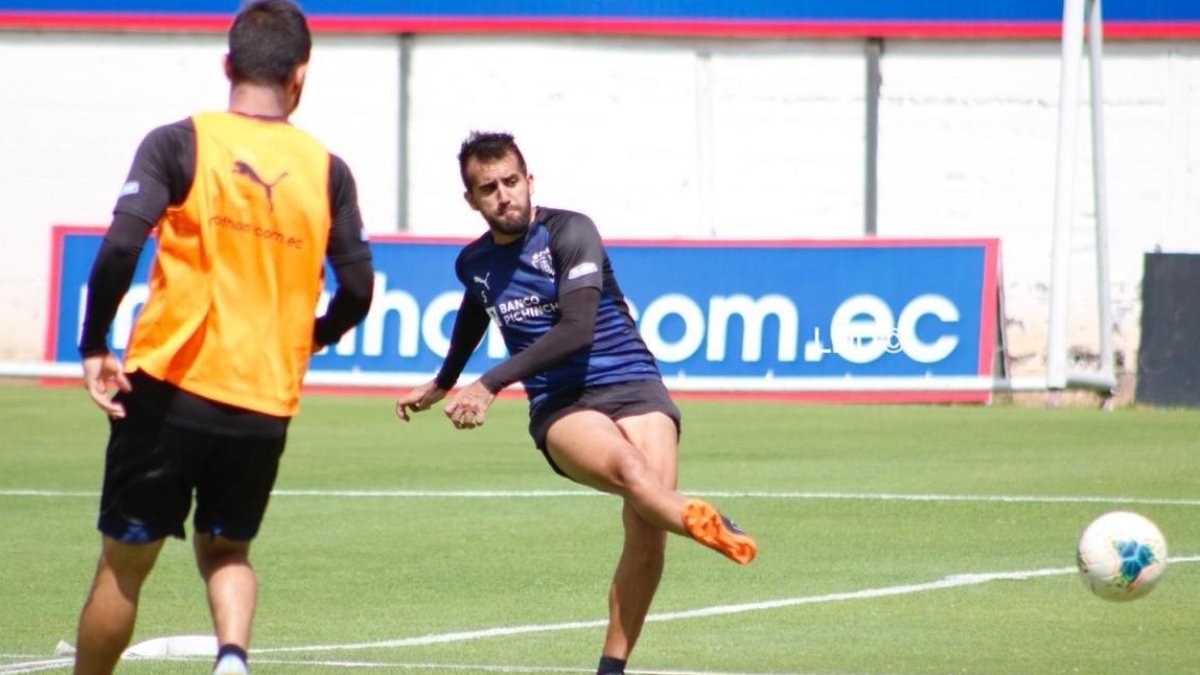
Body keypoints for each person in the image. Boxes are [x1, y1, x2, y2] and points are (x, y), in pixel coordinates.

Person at [72, 2, 374, 673]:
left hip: (168, 391)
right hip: (263, 400)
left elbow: (121, 246)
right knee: (227, 551)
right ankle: (232, 656)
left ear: (228, 65)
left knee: (123, 566)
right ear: (300, 77)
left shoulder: (178, 142)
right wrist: (309, 338)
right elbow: (358, 290)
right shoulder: (328, 170)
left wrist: (95, 342)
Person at [395, 131, 757, 675]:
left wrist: (489, 383)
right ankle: (698, 517)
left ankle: (612, 667)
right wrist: (445, 380)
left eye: (511, 181)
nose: (503, 195)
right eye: (487, 188)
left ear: (529, 180)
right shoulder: (471, 262)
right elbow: (477, 307)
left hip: (634, 383)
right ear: (471, 200)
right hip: (563, 404)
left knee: (645, 528)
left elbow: (577, 329)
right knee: (635, 475)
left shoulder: (570, 231)